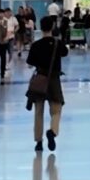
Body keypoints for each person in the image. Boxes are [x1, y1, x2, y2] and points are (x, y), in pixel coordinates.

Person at [27, 15, 68, 152]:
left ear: (41, 27)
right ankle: (53, 131)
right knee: (56, 109)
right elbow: (65, 53)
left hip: (40, 80)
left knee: (38, 112)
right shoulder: (57, 43)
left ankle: (38, 142)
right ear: (53, 27)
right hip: (54, 81)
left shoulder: (36, 45)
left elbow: (30, 64)